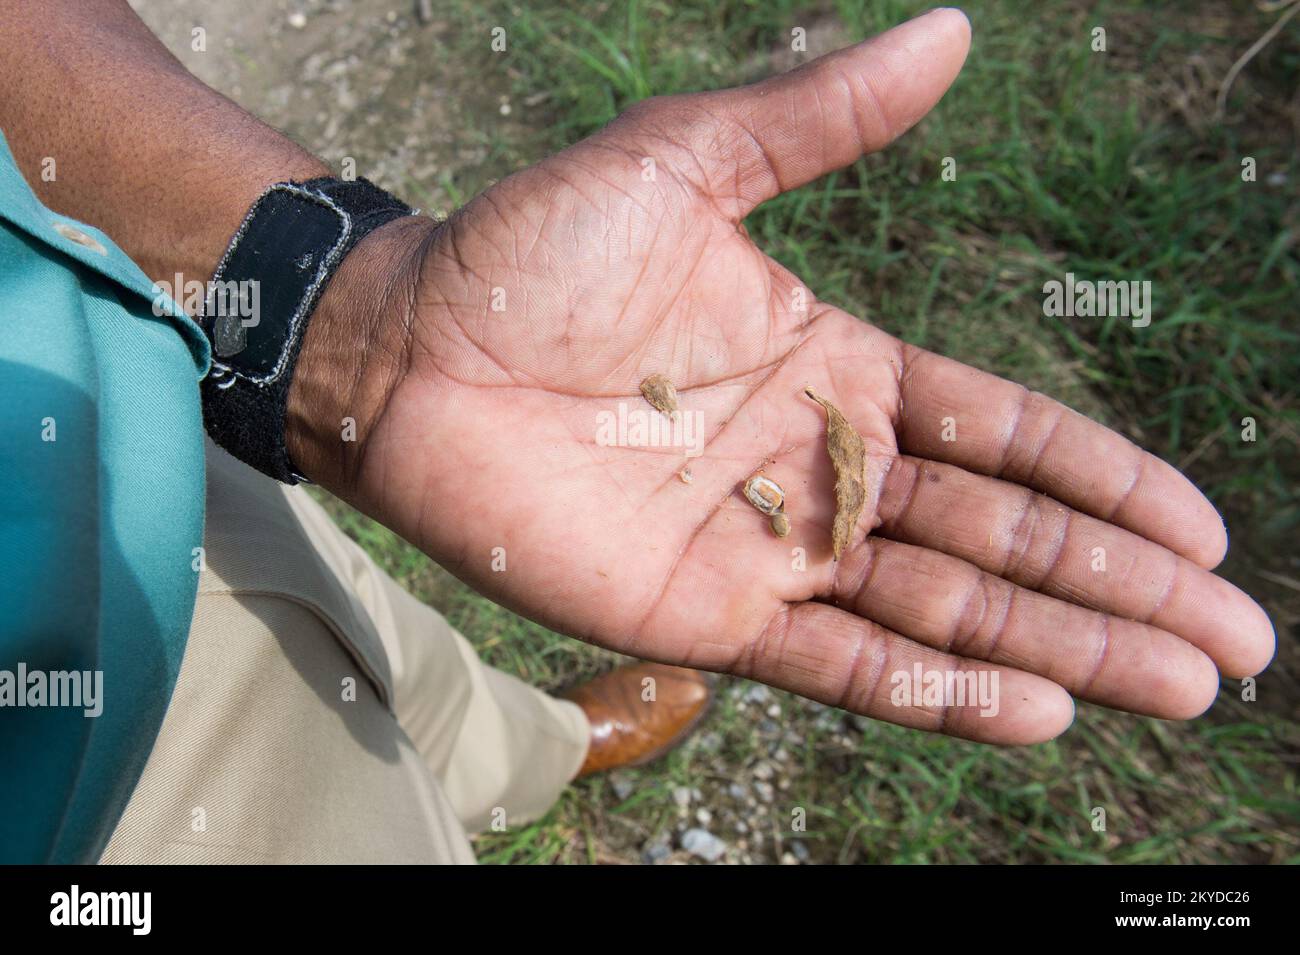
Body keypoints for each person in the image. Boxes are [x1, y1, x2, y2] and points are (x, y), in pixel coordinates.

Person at [0, 2, 1274, 864]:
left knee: (350, 620)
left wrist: (355, 321)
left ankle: (533, 750)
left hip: (117, 432)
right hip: (84, 815)